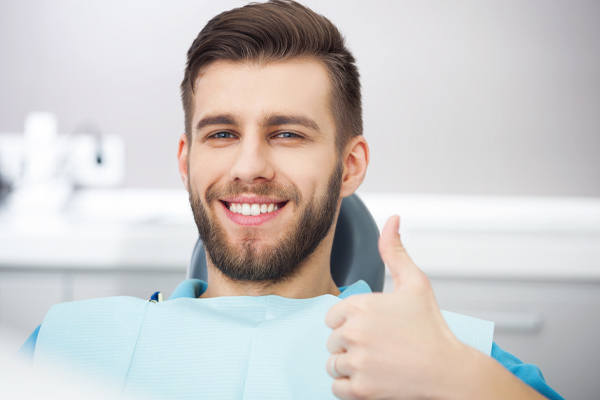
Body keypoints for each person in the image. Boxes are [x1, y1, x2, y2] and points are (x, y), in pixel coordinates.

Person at [19, 1, 563, 399]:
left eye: (287, 134)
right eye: (222, 134)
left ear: (349, 166)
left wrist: (461, 379)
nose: (250, 166)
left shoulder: (454, 361)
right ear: (186, 162)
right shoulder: (66, 345)